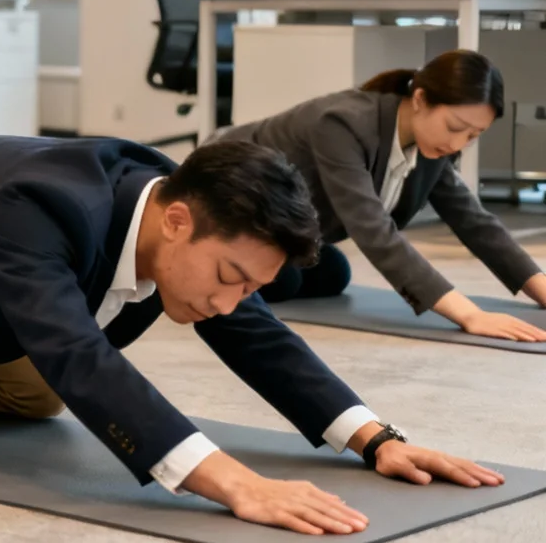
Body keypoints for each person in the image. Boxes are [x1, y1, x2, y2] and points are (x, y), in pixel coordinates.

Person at [0, 135, 502, 537]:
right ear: (177, 223)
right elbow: (75, 346)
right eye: (227, 279)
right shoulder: (39, 207)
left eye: (250, 285)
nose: (232, 302)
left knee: (32, 393)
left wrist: (373, 438)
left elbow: (255, 334)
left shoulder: (191, 230)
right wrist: (230, 482)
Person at [216, 49, 546, 342]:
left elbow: (474, 221)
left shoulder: (429, 147)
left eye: (474, 135)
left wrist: (540, 287)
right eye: (455, 127)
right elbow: (371, 228)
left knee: (331, 274)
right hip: (230, 195)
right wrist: (469, 314)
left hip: (280, 221)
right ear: (420, 100)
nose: (459, 143)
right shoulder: (342, 124)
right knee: (281, 281)